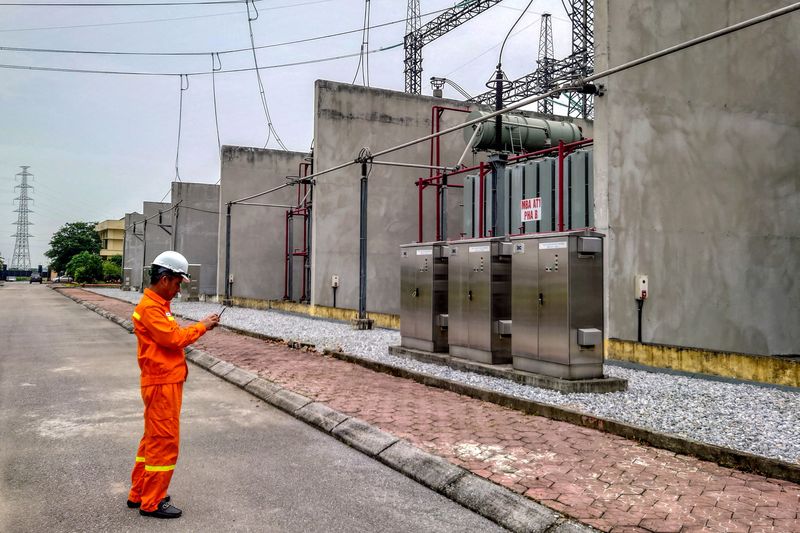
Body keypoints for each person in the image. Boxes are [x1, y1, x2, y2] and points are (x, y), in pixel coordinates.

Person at [126, 251, 219, 519]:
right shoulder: (151, 308)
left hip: (163, 381)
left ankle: (139, 493)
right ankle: (152, 502)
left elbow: (171, 337)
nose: (178, 290)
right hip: (162, 383)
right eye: (178, 283)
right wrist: (202, 326)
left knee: (152, 440)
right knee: (164, 442)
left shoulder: (156, 306)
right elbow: (173, 339)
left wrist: (200, 326)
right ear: (165, 279)